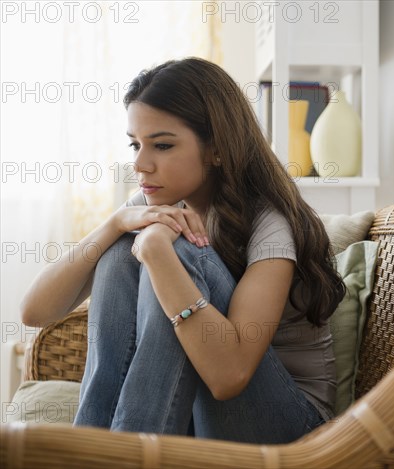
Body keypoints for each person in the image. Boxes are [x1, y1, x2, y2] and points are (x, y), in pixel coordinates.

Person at [20, 57, 345, 444]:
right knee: (124, 242)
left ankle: (128, 452)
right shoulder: (154, 203)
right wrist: (114, 225)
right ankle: (94, 446)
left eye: (162, 145)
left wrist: (158, 251)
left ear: (216, 149)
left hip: (290, 425)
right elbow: (35, 312)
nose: (140, 164)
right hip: (200, 407)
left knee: (172, 246)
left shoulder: (270, 223)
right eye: (135, 144)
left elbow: (230, 378)